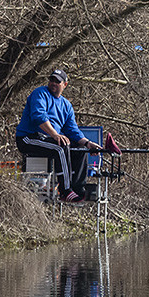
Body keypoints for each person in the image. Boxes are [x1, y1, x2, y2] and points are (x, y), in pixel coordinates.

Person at [17, 69, 104, 202]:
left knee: (80, 149)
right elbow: (38, 117)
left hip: (48, 139)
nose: (53, 83)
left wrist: (87, 143)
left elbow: (72, 130)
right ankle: (65, 191)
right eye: (51, 80)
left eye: (57, 81)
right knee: (60, 147)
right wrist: (55, 135)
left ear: (65, 84)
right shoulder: (40, 93)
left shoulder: (66, 105)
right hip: (28, 138)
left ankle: (78, 189)